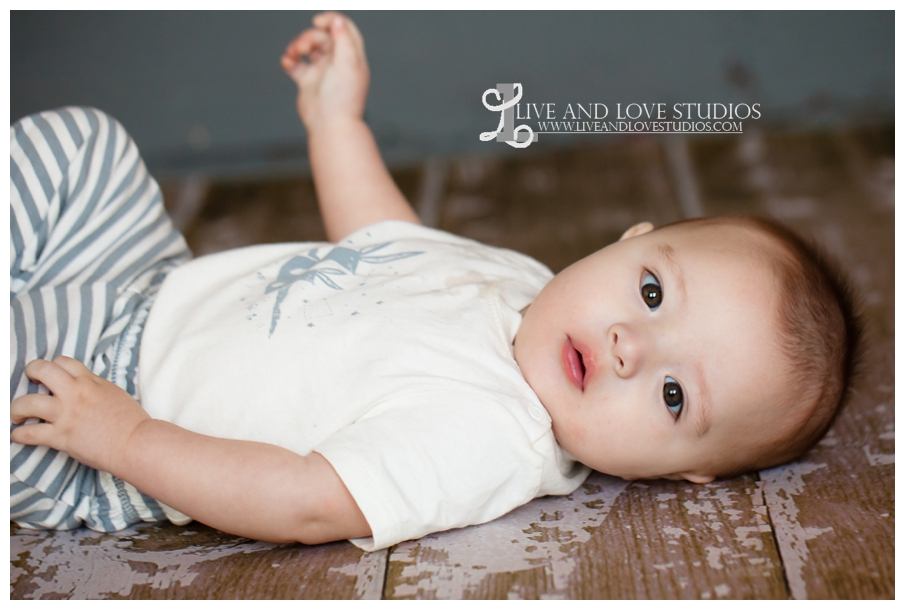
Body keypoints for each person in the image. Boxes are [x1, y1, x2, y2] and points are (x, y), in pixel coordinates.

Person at [9, 12, 862, 551]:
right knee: (85, 151)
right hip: (150, 282)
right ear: (628, 240)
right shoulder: (522, 288)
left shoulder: (488, 438)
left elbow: (307, 501)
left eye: (675, 398)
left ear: (684, 473)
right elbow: (387, 242)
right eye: (649, 293)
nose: (628, 347)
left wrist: (123, 440)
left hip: (101, 414)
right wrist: (335, 120)